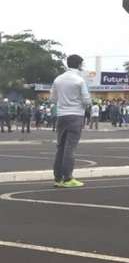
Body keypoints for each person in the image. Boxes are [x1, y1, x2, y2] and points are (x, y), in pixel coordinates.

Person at [50, 54, 91, 188]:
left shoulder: (58, 79)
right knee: (70, 148)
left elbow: (53, 99)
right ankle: (68, 178)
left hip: (62, 115)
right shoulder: (79, 80)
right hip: (76, 115)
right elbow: (86, 100)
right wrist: (82, 105)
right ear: (79, 65)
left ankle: (58, 178)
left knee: (60, 147)